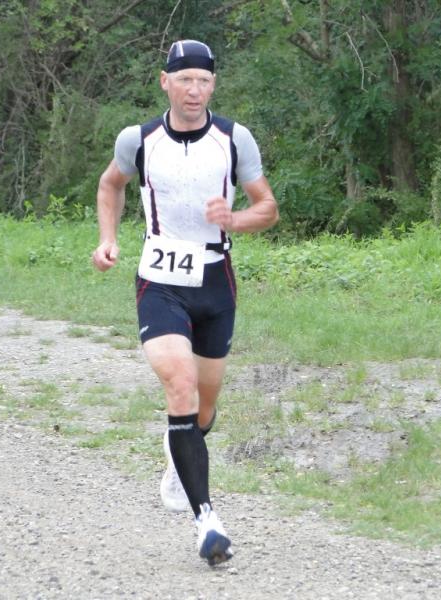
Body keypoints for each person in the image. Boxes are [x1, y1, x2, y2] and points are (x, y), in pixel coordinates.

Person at [91, 39, 279, 566]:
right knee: (181, 386)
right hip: (160, 281)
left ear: (213, 85)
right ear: (165, 82)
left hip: (216, 282)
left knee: (205, 406)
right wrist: (107, 239)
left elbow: (267, 207)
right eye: (184, 80)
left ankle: (180, 453)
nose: (194, 90)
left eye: (203, 81)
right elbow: (110, 185)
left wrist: (235, 219)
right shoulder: (139, 139)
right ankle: (207, 522)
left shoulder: (234, 139)